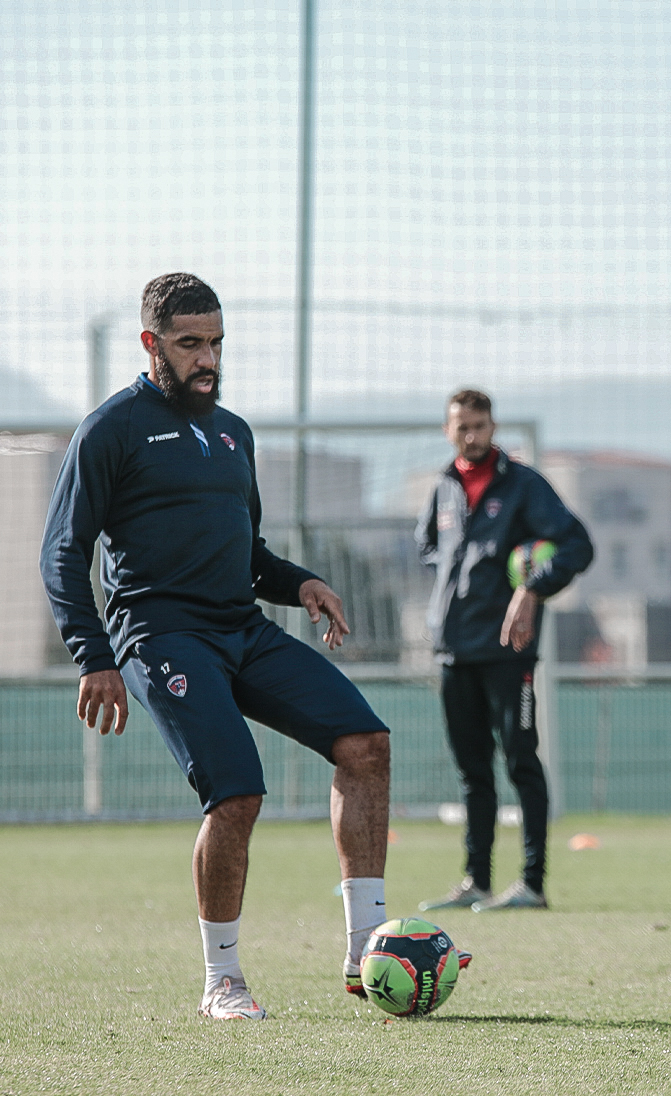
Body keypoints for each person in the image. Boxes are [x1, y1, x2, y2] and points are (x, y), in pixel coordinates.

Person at [40, 272, 409, 1021]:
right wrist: (94, 655)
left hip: (243, 627)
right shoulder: (109, 430)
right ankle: (223, 982)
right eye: (189, 344)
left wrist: (299, 582)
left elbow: (250, 553)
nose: (206, 359)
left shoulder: (234, 431)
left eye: (215, 343)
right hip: (161, 637)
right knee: (237, 793)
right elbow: (60, 553)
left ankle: (367, 947)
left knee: (366, 743)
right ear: (152, 344)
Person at [415, 389, 593, 913]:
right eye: (461, 426)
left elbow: (578, 545)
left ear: (494, 427)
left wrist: (531, 586)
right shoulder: (443, 487)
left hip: (508, 651)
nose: (471, 435)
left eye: (479, 425)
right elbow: (430, 548)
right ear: (448, 430)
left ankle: (532, 884)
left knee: (520, 761)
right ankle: (477, 880)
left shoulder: (524, 486)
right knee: (473, 771)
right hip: (454, 649)